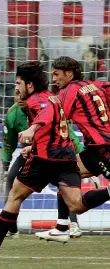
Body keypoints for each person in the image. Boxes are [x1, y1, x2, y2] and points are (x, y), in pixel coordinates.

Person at [0, 61, 110, 253]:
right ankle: (65, 224)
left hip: (45, 160)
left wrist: (32, 128)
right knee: (77, 205)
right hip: (67, 158)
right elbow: (55, 123)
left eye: (18, 84)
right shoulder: (53, 97)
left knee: (15, 195)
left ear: (29, 85)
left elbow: (45, 115)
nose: (16, 89)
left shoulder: (39, 100)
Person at [35, 56, 110, 242]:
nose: (54, 79)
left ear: (69, 73)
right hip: (94, 148)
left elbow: (57, 119)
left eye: (56, 74)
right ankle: (62, 227)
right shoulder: (95, 85)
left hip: (103, 147)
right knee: (64, 172)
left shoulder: (69, 91)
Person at [1, 89, 86, 239]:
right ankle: (11, 228)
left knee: (65, 184)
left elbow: (69, 134)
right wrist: (5, 167)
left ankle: (71, 223)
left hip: (57, 154)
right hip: (32, 154)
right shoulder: (12, 114)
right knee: (11, 179)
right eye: (16, 94)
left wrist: (82, 155)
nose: (19, 97)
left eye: (22, 93)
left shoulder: (47, 107)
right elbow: (8, 145)